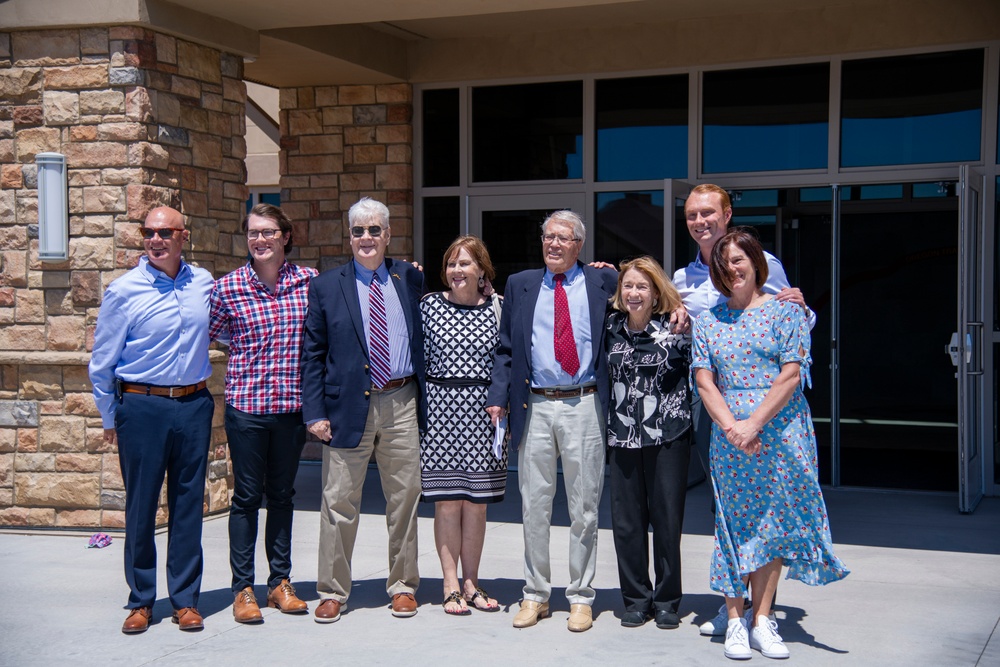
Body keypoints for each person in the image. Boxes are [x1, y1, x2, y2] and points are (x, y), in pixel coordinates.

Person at [692, 228, 849, 660]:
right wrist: (733, 428)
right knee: (733, 526)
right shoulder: (708, 321)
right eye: (722, 265)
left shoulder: (787, 313)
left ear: (757, 263)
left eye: (739, 261)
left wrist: (754, 423)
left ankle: (763, 620)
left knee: (773, 524)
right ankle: (735, 619)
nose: (731, 270)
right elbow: (705, 381)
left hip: (781, 434)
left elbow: (791, 374)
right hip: (731, 439)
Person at [672, 183, 813, 638]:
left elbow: (790, 320)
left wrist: (802, 308)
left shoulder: (764, 262)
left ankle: (758, 609)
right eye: (693, 214)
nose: (700, 221)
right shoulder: (682, 278)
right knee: (727, 507)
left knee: (767, 506)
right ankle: (734, 601)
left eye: (708, 212)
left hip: (768, 407)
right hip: (713, 401)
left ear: (727, 213)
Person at [486, 210, 617, 633]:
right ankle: (535, 595)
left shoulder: (604, 282)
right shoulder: (520, 284)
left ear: (579, 245)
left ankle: (581, 597)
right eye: (548, 238)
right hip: (535, 406)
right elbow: (506, 348)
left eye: (563, 238)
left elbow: (651, 296)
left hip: (584, 404)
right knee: (535, 506)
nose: (554, 245)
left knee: (584, 507)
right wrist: (497, 397)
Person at [89, 206, 215, 634]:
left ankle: (184, 601)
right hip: (141, 407)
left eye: (165, 232)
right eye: (148, 232)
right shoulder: (124, 290)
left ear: (184, 236)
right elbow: (102, 361)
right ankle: (141, 600)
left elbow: (233, 326)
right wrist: (110, 415)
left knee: (187, 508)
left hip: (195, 405)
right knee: (141, 507)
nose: (155, 240)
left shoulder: (204, 283)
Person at [301, 197, 426, 623]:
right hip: (344, 408)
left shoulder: (409, 277)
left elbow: (452, 299)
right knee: (338, 501)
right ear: (349, 236)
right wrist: (314, 413)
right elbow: (312, 355)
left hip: (402, 400)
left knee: (405, 498)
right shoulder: (325, 286)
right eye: (359, 231)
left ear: (388, 235)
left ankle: (403, 585)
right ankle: (333, 590)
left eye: (375, 230)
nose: (367, 238)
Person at [208, 203, 317, 623]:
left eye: (269, 232)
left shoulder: (309, 283)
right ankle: (243, 589)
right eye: (253, 233)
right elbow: (216, 335)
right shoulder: (228, 288)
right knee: (247, 498)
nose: (260, 240)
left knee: (284, 496)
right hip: (247, 410)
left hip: (291, 410)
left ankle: (279, 583)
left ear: (285, 237)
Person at [420, 235, 506, 615]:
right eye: (452, 263)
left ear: (482, 270)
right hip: (440, 415)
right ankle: (450, 585)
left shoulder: (499, 309)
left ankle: (472, 582)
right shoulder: (428, 306)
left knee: (477, 505)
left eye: (466, 263)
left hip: (485, 416)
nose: (457, 270)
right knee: (447, 503)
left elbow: (507, 361)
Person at [605, 256, 692, 630]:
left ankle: (668, 600)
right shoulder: (609, 327)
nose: (634, 293)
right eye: (628, 286)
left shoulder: (677, 328)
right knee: (627, 522)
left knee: (667, 520)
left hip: (668, 434)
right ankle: (637, 599)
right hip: (623, 436)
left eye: (642, 286)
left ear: (657, 292)